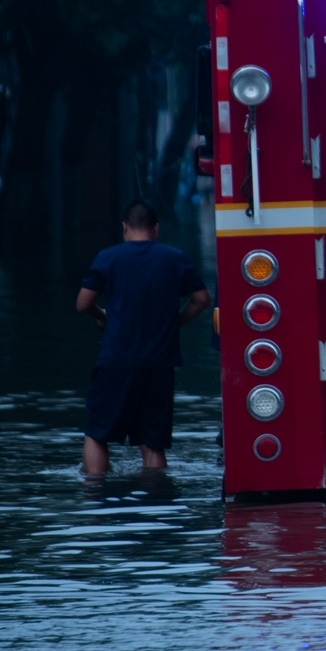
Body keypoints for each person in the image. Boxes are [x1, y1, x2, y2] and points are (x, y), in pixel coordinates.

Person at [75, 200, 210, 473]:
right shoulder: (175, 258)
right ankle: (156, 497)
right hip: (160, 365)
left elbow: (82, 304)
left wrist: (105, 317)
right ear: (156, 229)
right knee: (152, 443)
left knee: (96, 435)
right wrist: (173, 323)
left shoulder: (108, 257)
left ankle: (95, 498)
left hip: (117, 363)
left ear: (124, 228)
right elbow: (201, 300)